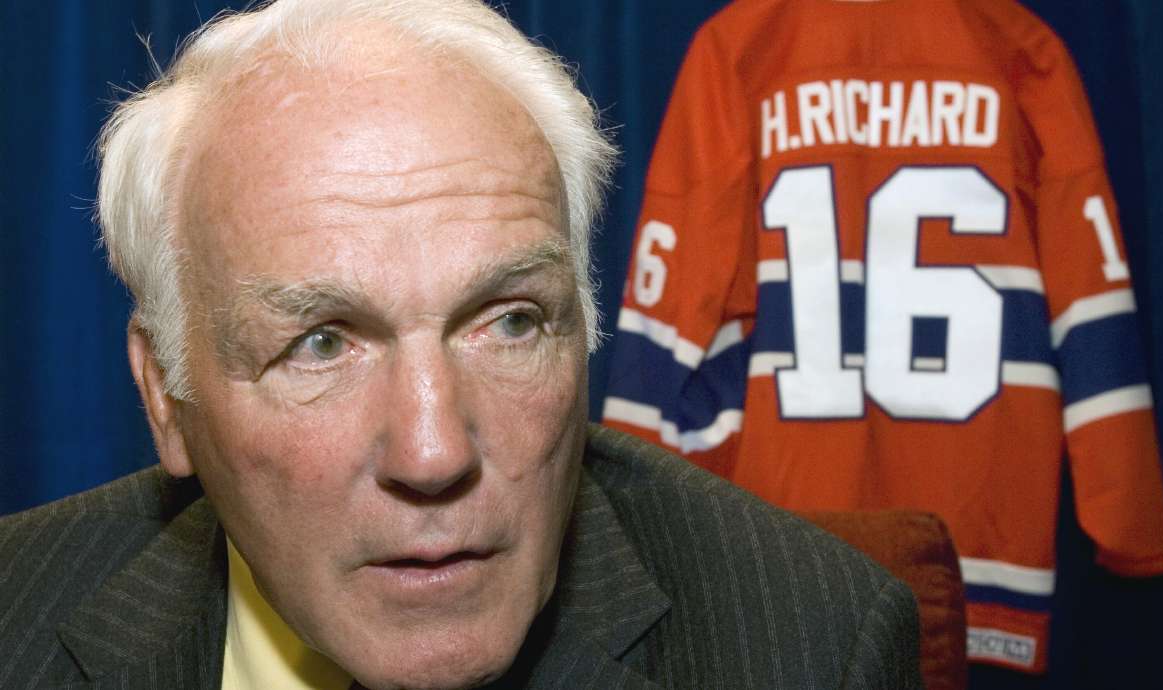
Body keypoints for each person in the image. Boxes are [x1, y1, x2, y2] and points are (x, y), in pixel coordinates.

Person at [0, 0, 921, 688]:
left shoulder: (814, 643)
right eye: (320, 344)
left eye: (510, 322)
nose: (434, 453)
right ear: (166, 396)